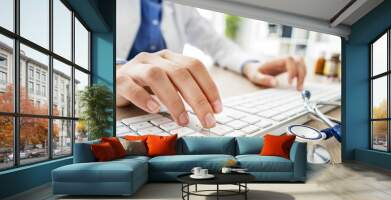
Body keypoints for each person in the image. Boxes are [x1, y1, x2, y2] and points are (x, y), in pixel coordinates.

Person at [116, 0, 307, 128]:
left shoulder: (182, 6)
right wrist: (112, 72)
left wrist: (250, 65)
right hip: (119, 110)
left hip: (166, 108)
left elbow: (217, 44)